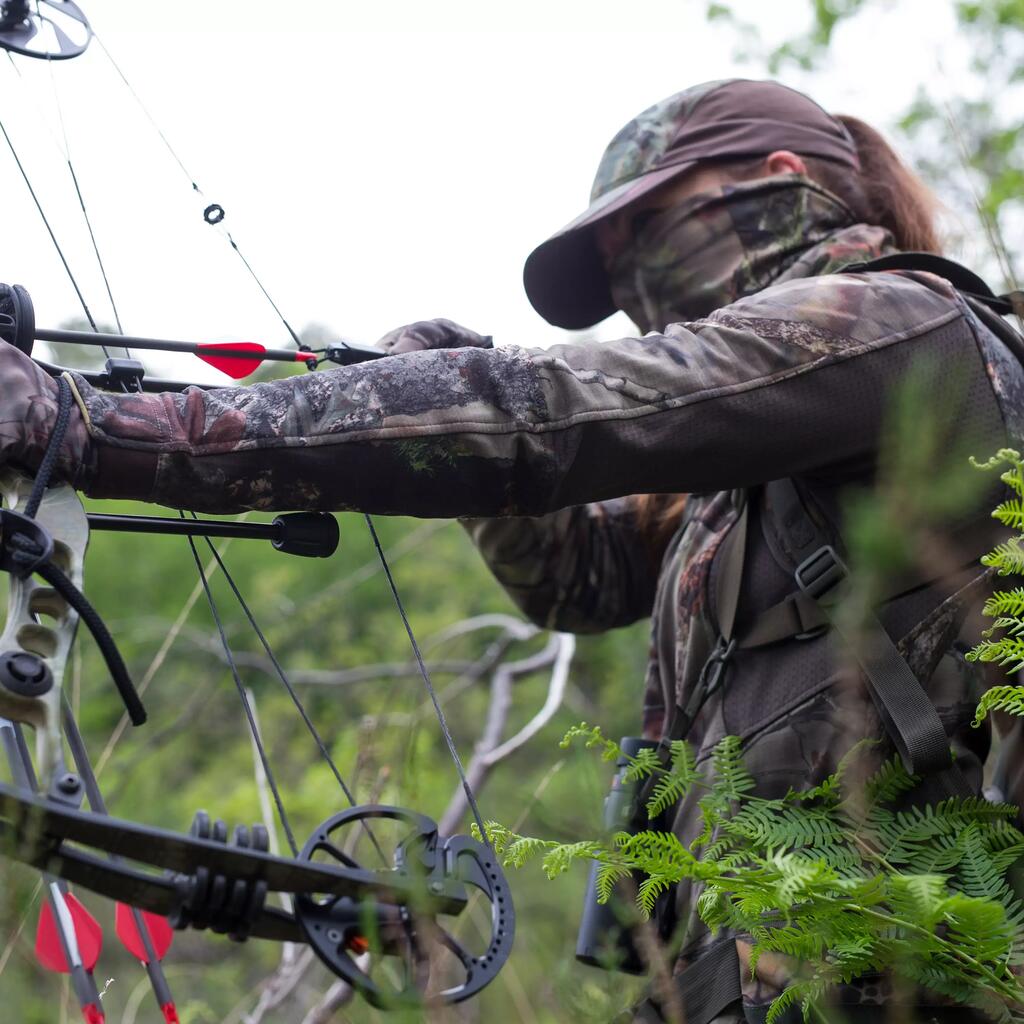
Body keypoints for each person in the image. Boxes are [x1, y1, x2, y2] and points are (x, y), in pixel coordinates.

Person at [0, 79, 1018, 1022]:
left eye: (649, 232)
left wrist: (87, 425)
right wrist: (454, 399)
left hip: (939, 965)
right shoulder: (739, 491)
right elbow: (578, 576)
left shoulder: (893, 325)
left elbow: (548, 414)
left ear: (783, 180)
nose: (633, 284)